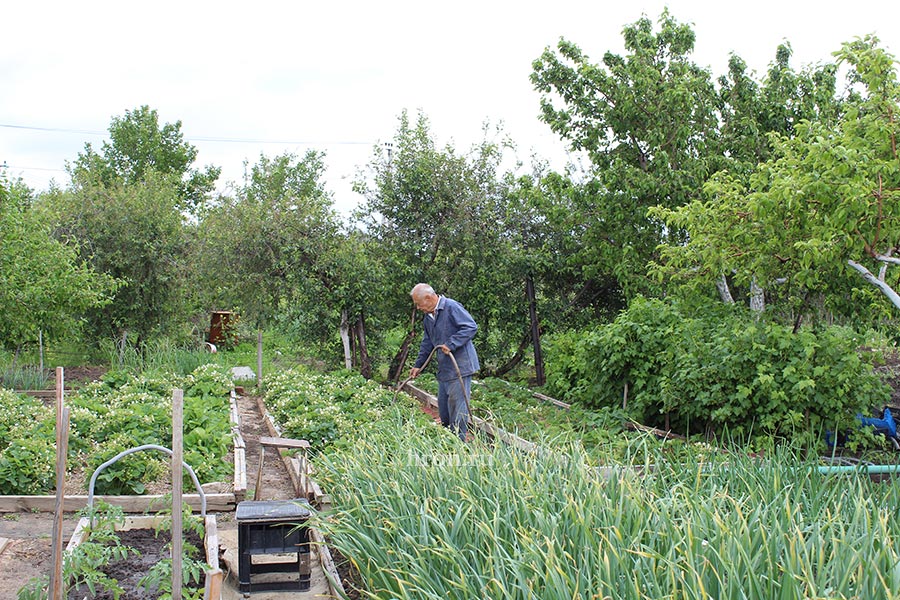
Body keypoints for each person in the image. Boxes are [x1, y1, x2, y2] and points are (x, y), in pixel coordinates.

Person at [409, 283, 479, 441]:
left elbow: (470, 327)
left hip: (459, 366)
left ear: (428, 298)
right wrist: (418, 365)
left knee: (457, 408)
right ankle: (447, 439)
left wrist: (451, 344)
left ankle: (458, 444)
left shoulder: (451, 307)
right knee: (444, 409)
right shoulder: (428, 317)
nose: (418, 308)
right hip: (445, 369)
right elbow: (427, 343)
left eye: (419, 304)